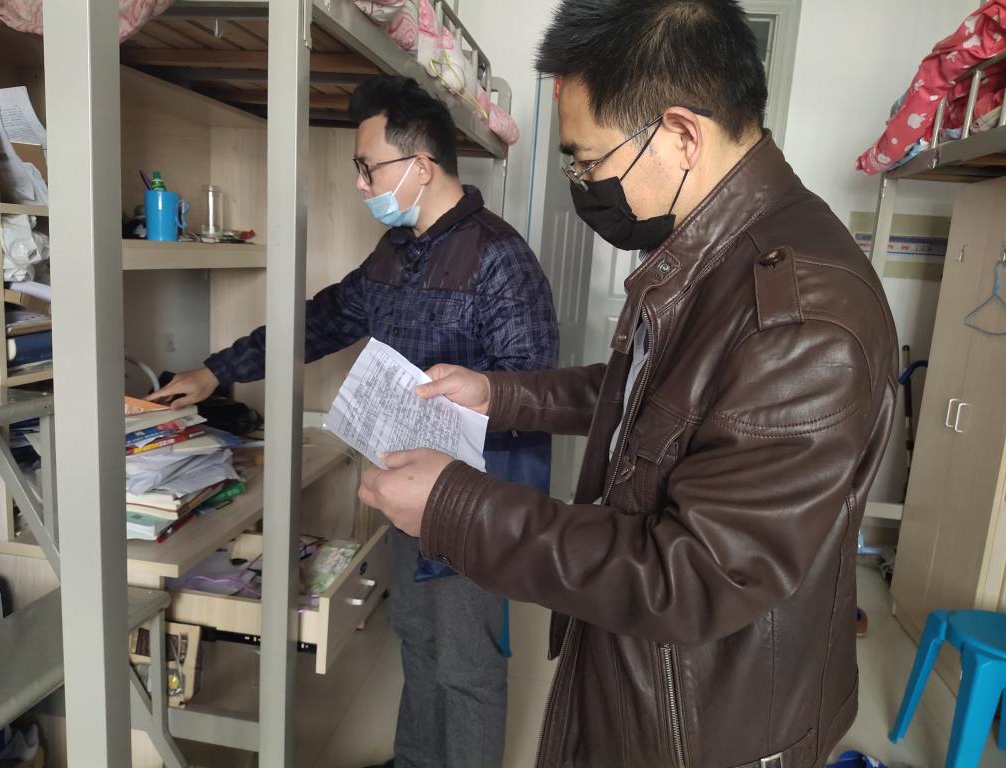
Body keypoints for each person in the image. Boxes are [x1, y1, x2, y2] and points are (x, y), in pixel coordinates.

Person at [357, 2, 899, 766]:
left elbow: (694, 575)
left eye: (587, 160)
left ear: (681, 135)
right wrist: (497, 393)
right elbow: (648, 395)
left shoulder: (800, 321)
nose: (583, 183)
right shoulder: (716, 254)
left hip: (704, 725)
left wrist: (455, 506)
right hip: (647, 674)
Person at [152, 76, 558, 768]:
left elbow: (534, 393)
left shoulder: (500, 259)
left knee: (467, 663)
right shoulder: (395, 253)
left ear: (421, 165)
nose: (362, 182)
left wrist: (471, 454)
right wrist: (216, 371)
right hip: (404, 486)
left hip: (476, 500)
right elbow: (321, 320)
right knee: (417, 638)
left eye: (369, 167)